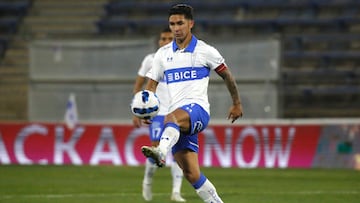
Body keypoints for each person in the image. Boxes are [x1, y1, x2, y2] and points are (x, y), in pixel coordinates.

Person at [140, 4, 243, 203]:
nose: (176, 28)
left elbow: (227, 76)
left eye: (180, 23)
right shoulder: (162, 54)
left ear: (191, 24)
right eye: (172, 24)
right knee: (191, 173)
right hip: (177, 121)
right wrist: (147, 107)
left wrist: (236, 103)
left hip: (198, 111)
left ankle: (161, 152)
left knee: (171, 118)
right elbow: (151, 85)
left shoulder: (205, 51)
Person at [132, 27, 186, 202]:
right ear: (159, 41)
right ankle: (147, 182)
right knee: (155, 152)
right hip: (157, 113)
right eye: (163, 38)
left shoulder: (182, 59)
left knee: (178, 152)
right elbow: (139, 84)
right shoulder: (150, 60)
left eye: (169, 38)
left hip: (176, 112)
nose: (166, 41)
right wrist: (138, 111)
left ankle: (176, 192)